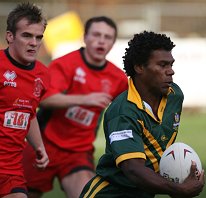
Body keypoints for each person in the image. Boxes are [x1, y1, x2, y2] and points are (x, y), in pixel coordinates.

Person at [80, 31, 205, 198]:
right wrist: (179, 189)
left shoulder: (175, 95)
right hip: (111, 192)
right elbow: (134, 170)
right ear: (139, 67)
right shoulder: (123, 111)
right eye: (162, 65)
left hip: (145, 192)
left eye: (171, 64)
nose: (171, 71)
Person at [22, 16, 128, 198]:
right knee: (22, 194)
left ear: (112, 43)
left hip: (78, 152)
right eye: (96, 35)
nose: (101, 41)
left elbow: (129, 109)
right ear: (85, 37)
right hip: (43, 144)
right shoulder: (64, 64)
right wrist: (85, 99)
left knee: (85, 194)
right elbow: (44, 99)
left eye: (107, 37)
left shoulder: (117, 77)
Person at [0, 2, 49, 198]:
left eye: (38, 37)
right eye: (27, 35)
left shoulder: (42, 75)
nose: (34, 43)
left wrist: (39, 147)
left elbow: (29, 114)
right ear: (10, 36)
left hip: (11, 170)